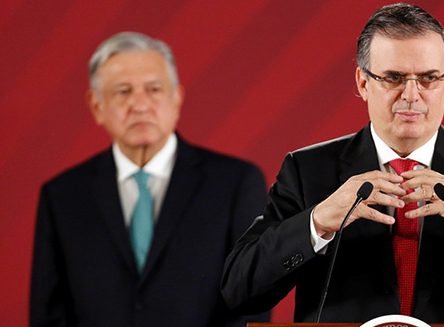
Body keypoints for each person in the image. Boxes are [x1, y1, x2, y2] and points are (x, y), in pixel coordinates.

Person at [221, 3, 444, 326]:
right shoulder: (307, 170)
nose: (411, 94)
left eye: (428, 78)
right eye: (392, 78)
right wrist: (318, 223)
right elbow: (238, 290)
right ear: (363, 82)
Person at [30, 32, 269, 327]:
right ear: (96, 106)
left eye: (154, 89)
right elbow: (49, 314)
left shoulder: (236, 183)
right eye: (123, 91)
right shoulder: (63, 196)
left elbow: (250, 303)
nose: (140, 104)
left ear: (177, 98)